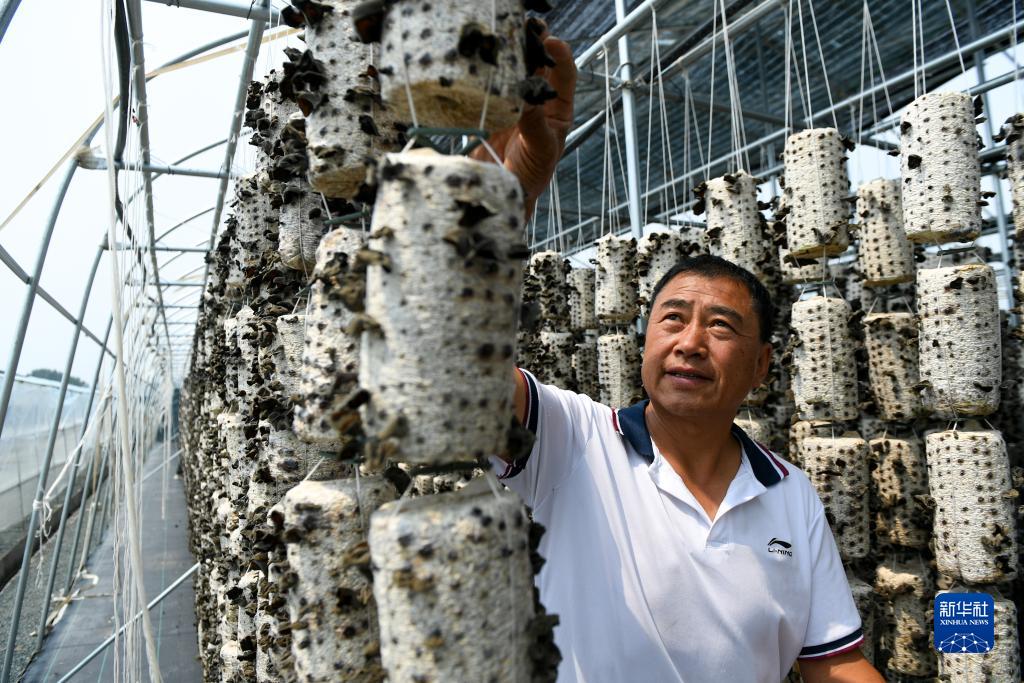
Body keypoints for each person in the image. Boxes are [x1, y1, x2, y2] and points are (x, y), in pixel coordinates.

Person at [476, 22, 886, 683]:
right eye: (672, 319)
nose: (690, 342)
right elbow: (458, 364)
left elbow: (835, 663)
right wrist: (508, 191)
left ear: (761, 367)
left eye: (721, 327)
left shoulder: (790, 494)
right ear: (645, 343)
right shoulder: (572, 441)